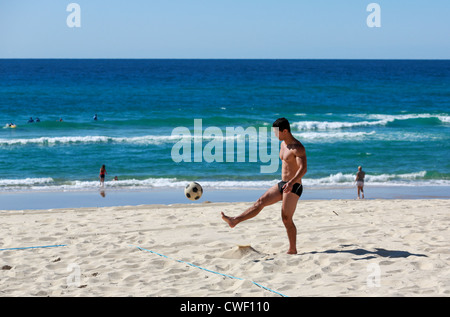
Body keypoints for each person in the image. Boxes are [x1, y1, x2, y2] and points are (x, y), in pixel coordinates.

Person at [221, 118, 307, 254]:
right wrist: (286, 183)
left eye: (276, 132)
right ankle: (234, 220)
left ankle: (292, 249)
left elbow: (303, 169)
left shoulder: (298, 148)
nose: (274, 135)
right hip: (283, 184)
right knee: (260, 202)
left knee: (286, 218)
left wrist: (291, 183)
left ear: (285, 131)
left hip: (294, 185)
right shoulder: (283, 145)